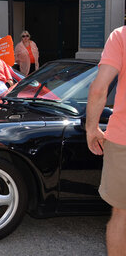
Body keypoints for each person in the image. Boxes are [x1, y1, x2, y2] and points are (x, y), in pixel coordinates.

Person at [86, 25, 126, 256]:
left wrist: (91, 128)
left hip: (123, 139)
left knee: (121, 214)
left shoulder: (120, 36)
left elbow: (99, 89)